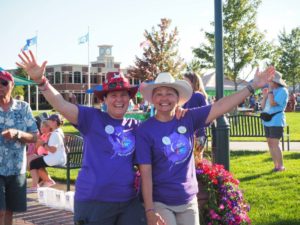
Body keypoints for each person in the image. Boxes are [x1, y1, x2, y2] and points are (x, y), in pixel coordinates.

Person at [17, 50, 147, 225]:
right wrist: (41, 81)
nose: (119, 99)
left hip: (128, 202)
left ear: (129, 98)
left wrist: (178, 109)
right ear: (104, 100)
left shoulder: (135, 126)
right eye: (113, 95)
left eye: (124, 94)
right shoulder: (92, 118)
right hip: (94, 200)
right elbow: (61, 104)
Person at [135, 68, 274, 225]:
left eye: (169, 93)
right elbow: (145, 173)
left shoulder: (188, 118)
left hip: (188, 200)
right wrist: (149, 210)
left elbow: (221, 105)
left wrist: (252, 86)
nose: (164, 98)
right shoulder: (144, 130)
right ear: (153, 99)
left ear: (178, 97)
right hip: (160, 201)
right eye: (159, 94)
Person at [0, 70, 38, 225]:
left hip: (16, 168)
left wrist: (17, 134)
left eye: (4, 83)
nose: (0, 87)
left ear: (12, 84)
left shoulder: (23, 108)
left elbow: (35, 137)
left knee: (9, 210)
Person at [27, 114, 66, 192]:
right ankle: (46, 181)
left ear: (54, 122)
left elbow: (52, 150)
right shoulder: (58, 131)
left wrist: (43, 144)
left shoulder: (55, 134)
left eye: (49, 121)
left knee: (33, 163)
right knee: (36, 161)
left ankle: (36, 186)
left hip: (56, 158)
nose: (48, 122)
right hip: (57, 157)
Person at [261, 71, 288, 172]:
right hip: (267, 121)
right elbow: (263, 106)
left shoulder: (283, 91)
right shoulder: (271, 91)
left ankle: (280, 166)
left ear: (275, 81)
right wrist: (264, 96)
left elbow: (272, 103)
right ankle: (275, 165)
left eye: (270, 80)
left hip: (276, 121)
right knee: (270, 143)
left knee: (275, 143)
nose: (268, 82)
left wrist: (270, 91)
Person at [183, 72, 208, 162]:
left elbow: (188, 114)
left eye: (185, 81)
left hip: (194, 135)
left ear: (193, 82)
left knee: (192, 163)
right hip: (199, 134)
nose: (183, 84)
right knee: (197, 161)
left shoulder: (195, 96)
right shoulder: (199, 95)